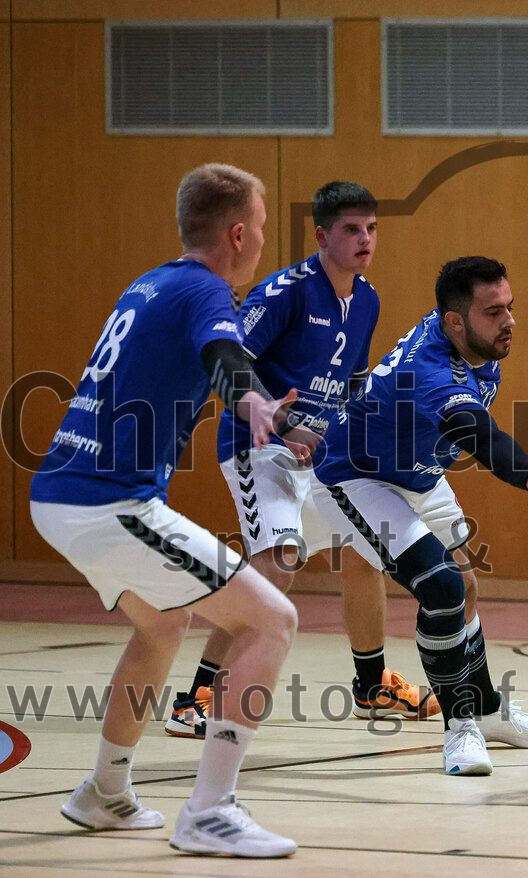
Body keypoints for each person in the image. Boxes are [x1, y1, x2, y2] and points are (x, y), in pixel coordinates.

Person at [30, 163, 303, 856]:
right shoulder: (205, 291)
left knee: (163, 623)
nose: (264, 241)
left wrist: (262, 406)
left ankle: (103, 793)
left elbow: (210, 356)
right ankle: (210, 812)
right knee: (273, 618)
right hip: (106, 501)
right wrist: (253, 402)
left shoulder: (150, 282)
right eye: (263, 229)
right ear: (238, 233)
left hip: (61, 493)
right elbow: (223, 356)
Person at [164, 181, 438, 740]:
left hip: (318, 452)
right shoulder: (286, 291)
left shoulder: (367, 299)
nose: (365, 240)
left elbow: (355, 380)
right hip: (257, 444)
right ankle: (197, 695)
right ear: (322, 235)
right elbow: (230, 360)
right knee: (279, 561)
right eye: (351, 230)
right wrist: (281, 421)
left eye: (372, 229)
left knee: (366, 547)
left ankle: (371, 686)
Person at [311, 256, 528, 775]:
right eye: (493, 311)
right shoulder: (432, 369)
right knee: (441, 588)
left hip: (417, 470)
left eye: (509, 307)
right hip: (357, 476)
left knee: (466, 585)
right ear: (455, 321)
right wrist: (527, 471)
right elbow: (471, 430)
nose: (508, 321)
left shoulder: (471, 338)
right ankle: (461, 729)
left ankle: (487, 710)